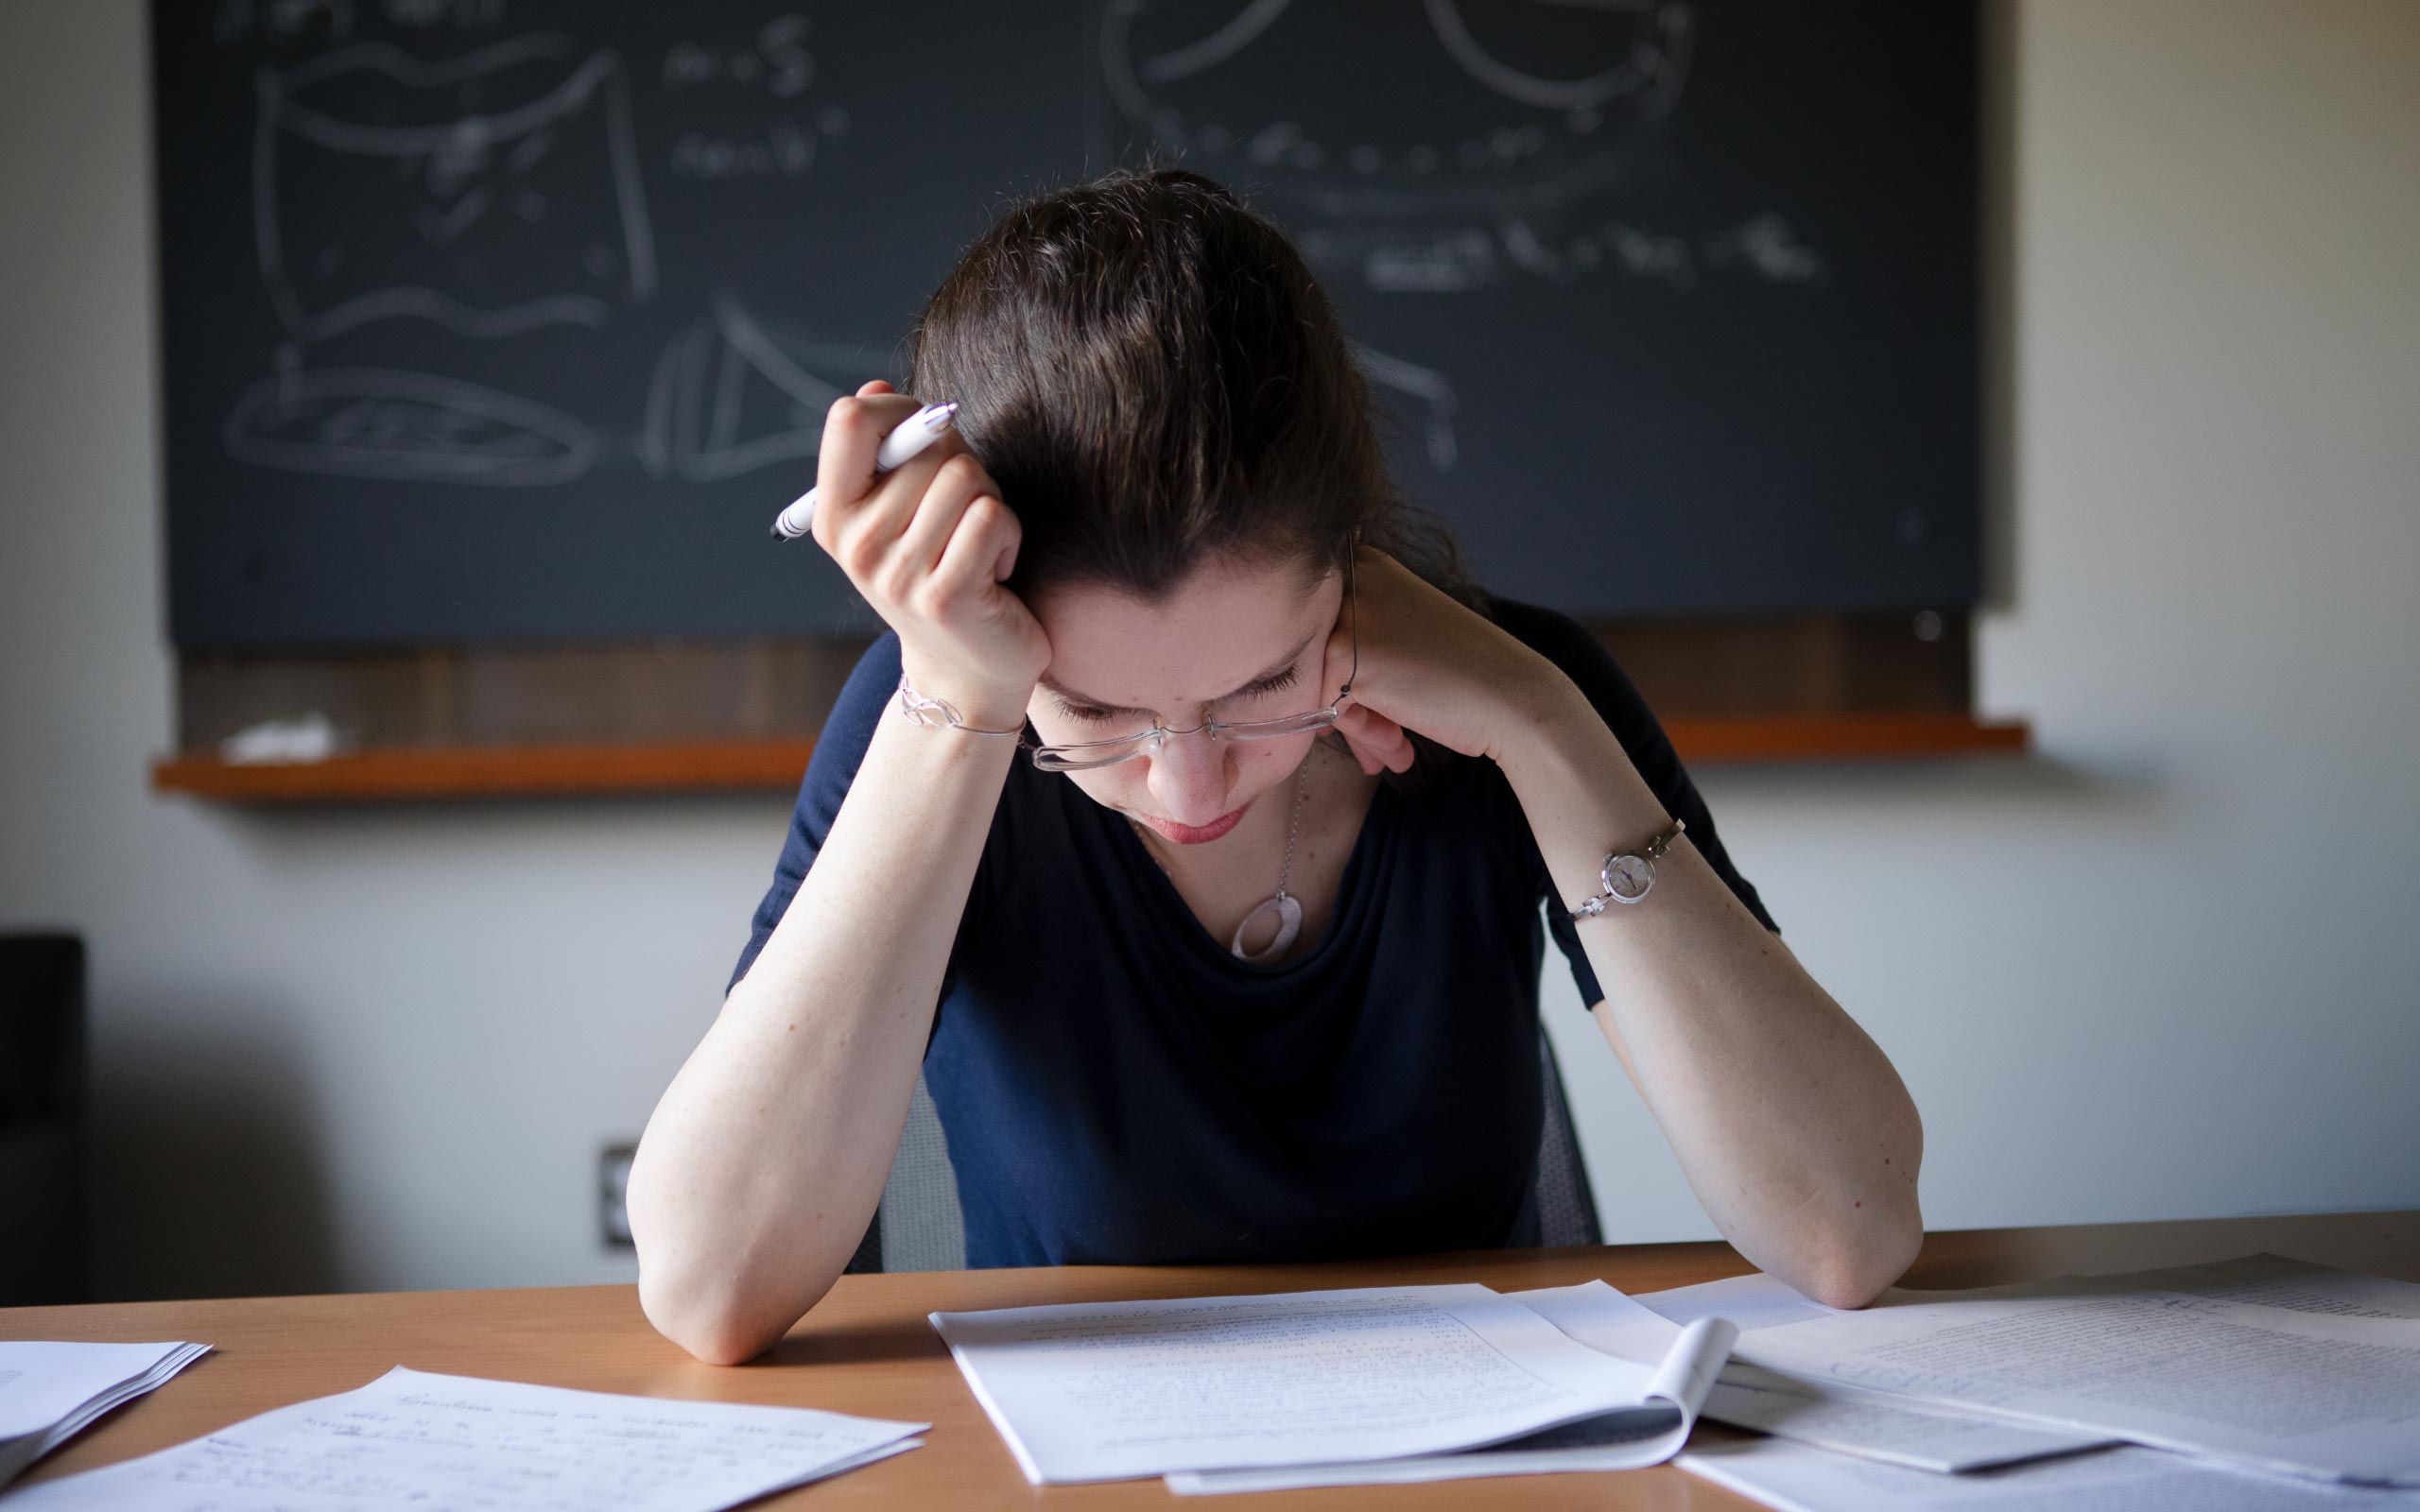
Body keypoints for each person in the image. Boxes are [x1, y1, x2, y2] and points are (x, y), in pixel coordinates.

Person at [628, 169, 1923, 1366]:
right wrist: (961, 708)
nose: (1189, 790)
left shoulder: (1511, 690)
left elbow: (1847, 1233)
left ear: (1352, 574)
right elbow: (709, 1292)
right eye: (1093, 711)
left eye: (1261, 687)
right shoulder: (933, 718)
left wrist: (1539, 723)